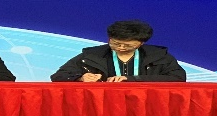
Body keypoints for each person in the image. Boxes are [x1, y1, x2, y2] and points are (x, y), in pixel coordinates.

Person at [50, 20, 186, 82]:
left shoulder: (158, 56)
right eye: (115, 43)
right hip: (104, 105)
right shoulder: (91, 55)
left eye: (128, 45)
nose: (121, 47)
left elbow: (178, 77)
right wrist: (80, 78)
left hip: (146, 105)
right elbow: (58, 76)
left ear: (141, 43)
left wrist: (133, 79)